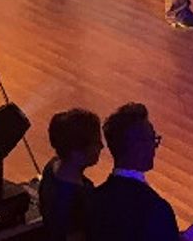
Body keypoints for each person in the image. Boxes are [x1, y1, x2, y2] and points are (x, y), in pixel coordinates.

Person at [88, 103, 182, 241]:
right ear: (138, 148)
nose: (155, 147)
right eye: (153, 140)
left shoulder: (94, 199)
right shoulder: (157, 209)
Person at [39, 107, 102, 241]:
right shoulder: (74, 201)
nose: (101, 146)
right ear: (76, 154)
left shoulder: (52, 167)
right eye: (96, 143)